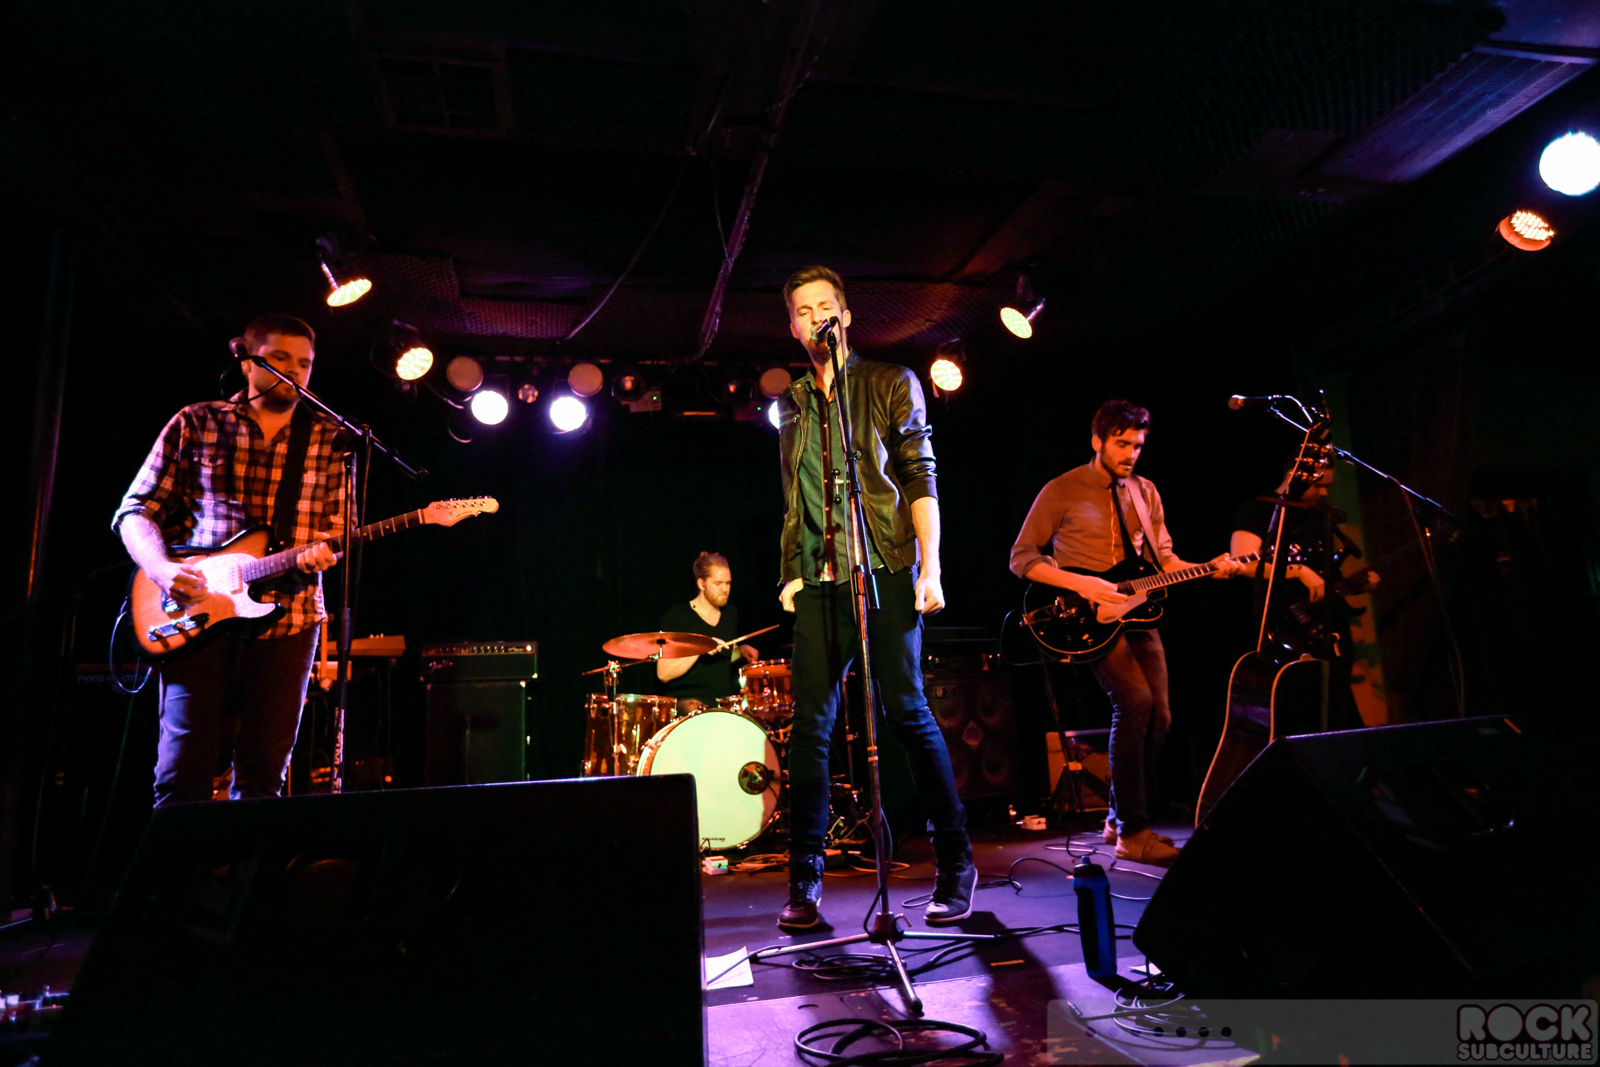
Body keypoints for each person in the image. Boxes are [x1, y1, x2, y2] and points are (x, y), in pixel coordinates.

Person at [774, 265, 973, 930]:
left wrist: (930, 567)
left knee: (907, 710)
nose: (816, 318)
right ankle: (804, 877)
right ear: (793, 326)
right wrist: (791, 571)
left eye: (825, 306)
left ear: (846, 315)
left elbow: (919, 475)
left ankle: (955, 861)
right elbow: (793, 497)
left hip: (884, 567)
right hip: (820, 580)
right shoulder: (793, 402)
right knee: (811, 727)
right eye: (804, 311)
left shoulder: (889, 381)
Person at [113, 313, 346, 806]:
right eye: (279, 358)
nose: (294, 371)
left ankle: (246, 860)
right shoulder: (197, 421)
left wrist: (324, 553)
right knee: (182, 772)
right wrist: (161, 570)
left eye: (303, 363)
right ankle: (175, 858)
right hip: (196, 610)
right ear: (246, 361)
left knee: (264, 778)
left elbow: (337, 528)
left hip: (291, 617)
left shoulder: (331, 437)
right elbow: (136, 510)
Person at [1009, 400, 1240, 866]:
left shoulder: (1145, 491)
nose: (1131, 454)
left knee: (1161, 717)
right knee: (1134, 702)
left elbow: (1165, 559)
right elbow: (1022, 558)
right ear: (1097, 441)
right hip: (1087, 617)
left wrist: (1209, 567)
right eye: (1121, 444)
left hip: (1138, 612)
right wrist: (1082, 584)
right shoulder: (1062, 489)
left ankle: (1119, 816)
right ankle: (1133, 833)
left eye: (1137, 445)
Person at [1229, 462, 1378, 731]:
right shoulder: (1258, 511)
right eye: (1318, 485)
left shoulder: (1318, 516)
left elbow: (1325, 572)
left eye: (1327, 487)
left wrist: (1353, 584)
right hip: (1285, 621)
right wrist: (1298, 571)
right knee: (1300, 705)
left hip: (1327, 622)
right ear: (1294, 475)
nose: (1324, 493)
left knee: (1337, 704)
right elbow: (1242, 563)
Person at [656, 551, 760, 709]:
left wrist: (740, 652)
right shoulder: (678, 616)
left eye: (728, 583)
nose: (725, 589)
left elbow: (717, 662)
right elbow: (663, 673)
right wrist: (701, 648)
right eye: (718, 584)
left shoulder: (730, 614)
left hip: (722, 703)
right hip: (687, 705)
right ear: (701, 584)